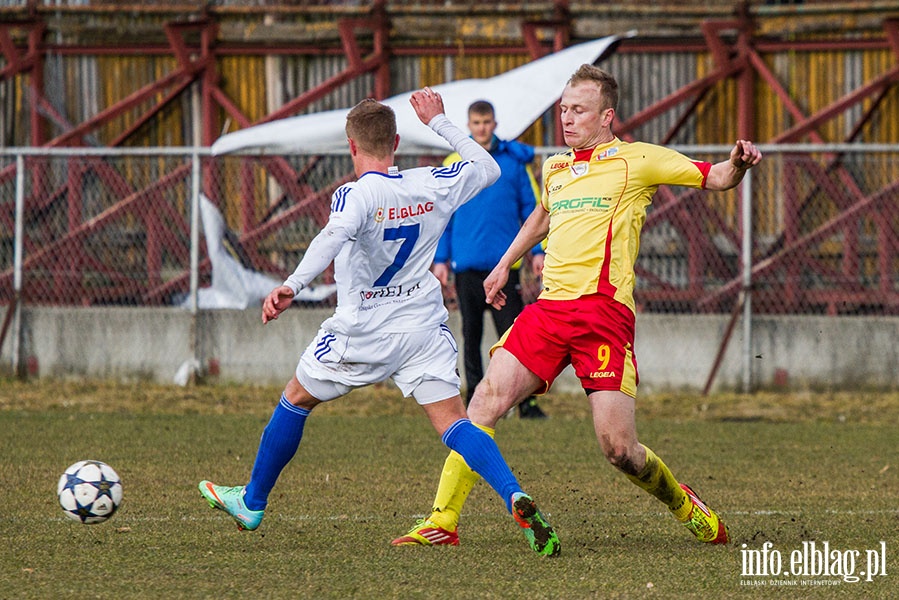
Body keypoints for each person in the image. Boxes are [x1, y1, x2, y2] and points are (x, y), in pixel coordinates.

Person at [392, 64, 762, 548]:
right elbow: (542, 216)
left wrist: (738, 162)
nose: (566, 119)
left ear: (606, 116)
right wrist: (506, 264)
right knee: (482, 401)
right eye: (563, 109)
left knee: (620, 449)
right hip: (548, 310)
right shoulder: (557, 166)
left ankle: (682, 502)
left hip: (604, 318)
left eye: (578, 110)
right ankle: (443, 520)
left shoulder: (637, 160)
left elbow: (714, 177)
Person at [198, 89, 560, 557]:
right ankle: (513, 492)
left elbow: (333, 236)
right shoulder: (430, 181)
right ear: (395, 142)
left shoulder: (354, 193)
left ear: (352, 147)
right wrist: (440, 122)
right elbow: (488, 168)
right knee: (454, 422)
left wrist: (293, 284)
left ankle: (252, 501)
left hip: (362, 330)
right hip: (423, 327)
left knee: (294, 399)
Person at [433, 100, 547, 419]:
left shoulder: (513, 164)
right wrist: (441, 258)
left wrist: (538, 252)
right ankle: (473, 400)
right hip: (466, 267)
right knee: (470, 336)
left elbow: (535, 210)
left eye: (486, 122)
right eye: (476, 123)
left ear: (495, 124)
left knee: (513, 337)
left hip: (504, 269)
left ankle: (526, 401)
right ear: (468, 126)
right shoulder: (455, 162)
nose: (482, 128)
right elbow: (444, 216)